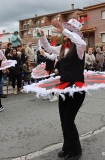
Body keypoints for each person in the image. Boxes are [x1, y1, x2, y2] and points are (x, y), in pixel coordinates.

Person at [40, 19, 86, 160]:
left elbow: (81, 42)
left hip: (77, 89)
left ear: (73, 33)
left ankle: (75, 151)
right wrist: (41, 36)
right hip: (64, 87)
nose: (64, 33)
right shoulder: (63, 48)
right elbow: (48, 48)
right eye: (65, 31)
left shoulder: (79, 47)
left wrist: (64, 30)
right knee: (63, 120)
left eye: (68, 31)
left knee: (68, 121)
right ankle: (67, 147)